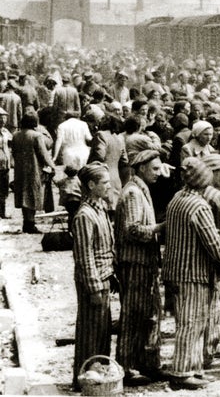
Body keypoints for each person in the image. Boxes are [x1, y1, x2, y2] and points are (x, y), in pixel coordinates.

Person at [163, 157, 220, 390]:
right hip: (193, 273)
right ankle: (182, 371)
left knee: (189, 322)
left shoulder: (177, 199)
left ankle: (193, 368)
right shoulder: (199, 206)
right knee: (191, 324)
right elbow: (213, 242)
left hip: (175, 270)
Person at [114, 150, 166, 385]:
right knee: (132, 316)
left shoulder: (141, 189)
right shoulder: (133, 193)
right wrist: (160, 228)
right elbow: (132, 229)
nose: (159, 173)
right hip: (134, 263)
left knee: (148, 314)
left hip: (144, 263)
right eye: (155, 169)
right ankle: (125, 367)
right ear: (141, 168)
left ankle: (146, 362)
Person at [71, 162, 117, 391]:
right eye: (105, 183)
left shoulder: (100, 208)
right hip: (94, 281)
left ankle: (96, 376)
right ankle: (84, 379)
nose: (109, 186)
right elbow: (85, 256)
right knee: (90, 333)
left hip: (104, 277)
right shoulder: (84, 215)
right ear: (91, 185)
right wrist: (95, 288)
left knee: (101, 331)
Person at [200, 153, 220, 371]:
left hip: (200, 256)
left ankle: (206, 347)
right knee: (214, 303)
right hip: (216, 254)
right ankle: (209, 349)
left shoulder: (196, 193)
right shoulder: (218, 196)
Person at [11, 112, 55, 233]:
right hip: (34, 169)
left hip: (20, 170)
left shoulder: (16, 135)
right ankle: (30, 224)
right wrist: (52, 166)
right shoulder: (37, 136)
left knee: (23, 195)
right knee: (33, 195)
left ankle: (26, 222)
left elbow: (14, 152)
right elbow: (43, 154)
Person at [0, 108, 12, 218]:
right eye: (1, 117)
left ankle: (2, 212)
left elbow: (12, 142)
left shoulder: (5, 131)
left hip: (5, 163)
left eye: (4, 117)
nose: (3, 120)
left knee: (4, 189)